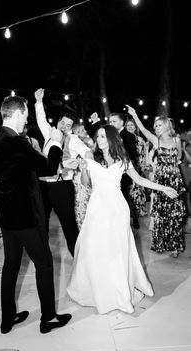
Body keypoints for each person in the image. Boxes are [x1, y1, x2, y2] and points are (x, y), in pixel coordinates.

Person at [67, 125, 178, 314]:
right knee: (94, 248)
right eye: (98, 136)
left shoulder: (123, 160)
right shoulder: (91, 158)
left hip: (117, 209)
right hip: (96, 209)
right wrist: (85, 169)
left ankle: (120, 292)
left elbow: (141, 180)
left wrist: (164, 188)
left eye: (103, 136)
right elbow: (86, 183)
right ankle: (99, 289)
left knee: (117, 250)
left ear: (111, 138)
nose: (99, 139)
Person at [0, 95, 71, 334]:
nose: (27, 118)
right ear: (17, 114)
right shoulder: (15, 141)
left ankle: (8, 319)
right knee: (44, 264)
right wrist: (56, 142)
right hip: (25, 216)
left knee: (11, 266)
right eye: (26, 114)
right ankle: (48, 319)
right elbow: (47, 166)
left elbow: (25, 170)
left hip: (7, 216)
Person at [35, 88, 92, 256]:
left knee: (68, 224)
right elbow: (41, 119)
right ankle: (42, 254)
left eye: (68, 125)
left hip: (61, 186)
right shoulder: (50, 133)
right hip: (43, 185)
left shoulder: (73, 139)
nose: (65, 127)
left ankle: (78, 258)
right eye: (63, 123)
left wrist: (85, 161)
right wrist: (39, 101)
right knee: (41, 221)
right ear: (59, 121)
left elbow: (87, 152)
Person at [127, 105, 186, 258]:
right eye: (155, 125)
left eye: (159, 125)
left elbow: (179, 157)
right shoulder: (155, 140)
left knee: (175, 214)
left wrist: (172, 168)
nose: (156, 127)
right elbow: (144, 130)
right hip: (161, 182)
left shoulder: (177, 140)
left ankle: (175, 246)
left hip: (175, 181)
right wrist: (134, 115)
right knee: (161, 214)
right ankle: (161, 243)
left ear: (167, 125)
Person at [109, 112, 140, 229]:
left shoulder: (128, 135)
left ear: (122, 122)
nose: (111, 123)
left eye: (114, 121)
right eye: (110, 121)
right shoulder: (112, 135)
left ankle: (127, 220)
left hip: (125, 171)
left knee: (124, 196)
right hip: (113, 170)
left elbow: (132, 155)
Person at [125, 117, 148, 217]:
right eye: (128, 125)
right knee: (131, 188)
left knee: (138, 187)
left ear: (135, 127)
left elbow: (143, 154)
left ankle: (139, 209)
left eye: (132, 125)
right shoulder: (125, 138)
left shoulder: (140, 139)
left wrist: (143, 166)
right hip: (130, 165)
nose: (130, 127)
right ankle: (132, 210)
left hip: (139, 165)